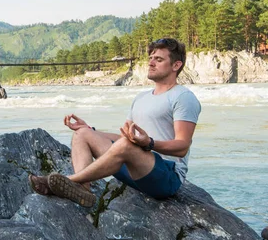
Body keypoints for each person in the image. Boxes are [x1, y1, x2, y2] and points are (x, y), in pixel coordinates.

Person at [29, 38, 201, 207]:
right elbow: (123, 139)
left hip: (165, 177)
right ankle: (82, 190)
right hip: (135, 170)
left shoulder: (182, 97)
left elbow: (182, 146)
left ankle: (66, 181)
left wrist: (149, 143)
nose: (151, 63)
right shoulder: (141, 98)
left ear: (176, 65)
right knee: (82, 134)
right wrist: (90, 130)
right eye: (150, 58)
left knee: (125, 144)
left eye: (159, 59)